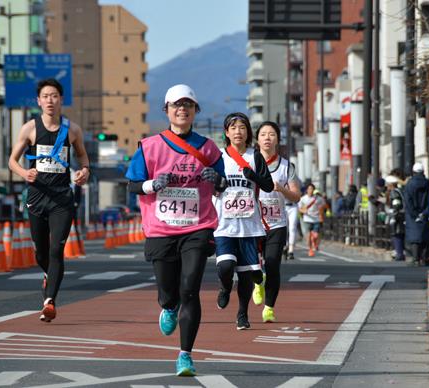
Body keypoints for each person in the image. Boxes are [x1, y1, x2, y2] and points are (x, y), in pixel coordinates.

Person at [126, 84, 226, 376]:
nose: (182, 109)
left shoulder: (208, 148)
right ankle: (168, 306)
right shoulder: (149, 146)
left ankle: (185, 355)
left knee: (190, 288)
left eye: (188, 105)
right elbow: (132, 184)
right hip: (161, 228)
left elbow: (224, 184)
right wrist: (153, 184)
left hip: (198, 226)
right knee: (169, 291)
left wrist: (216, 179)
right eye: (176, 105)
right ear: (167, 110)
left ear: (195, 111)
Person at [9, 78, 90, 323]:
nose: (50, 100)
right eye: (45, 96)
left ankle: (49, 301)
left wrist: (84, 173)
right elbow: (12, 161)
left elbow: (84, 160)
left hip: (62, 199)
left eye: (54, 95)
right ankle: (48, 275)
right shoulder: (29, 128)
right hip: (36, 197)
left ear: (61, 99)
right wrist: (25, 173)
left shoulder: (72, 129)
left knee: (57, 250)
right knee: (41, 252)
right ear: (39, 101)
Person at [213, 112, 274, 331]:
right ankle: (224, 287)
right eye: (233, 128)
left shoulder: (255, 156)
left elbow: (267, 185)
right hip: (223, 224)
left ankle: (242, 314)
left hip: (249, 225)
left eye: (242, 127)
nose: (238, 132)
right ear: (226, 132)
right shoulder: (218, 157)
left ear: (248, 132)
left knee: (247, 273)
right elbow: (209, 186)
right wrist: (216, 184)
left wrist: (253, 176)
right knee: (227, 266)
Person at [253, 121, 301, 323]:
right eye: (263, 134)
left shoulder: (286, 166)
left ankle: (269, 308)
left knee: (272, 264)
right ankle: (257, 281)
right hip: (252, 223)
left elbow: (296, 196)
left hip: (276, 224)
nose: (267, 138)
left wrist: (281, 189)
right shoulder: (249, 163)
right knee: (251, 266)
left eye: (271, 134)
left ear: (277, 140)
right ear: (257, 139)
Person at [403, 162, 429, 266]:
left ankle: (415, 259)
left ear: (413, 172)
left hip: (412, 214)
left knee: (414, 236)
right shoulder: (427, 183)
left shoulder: (410, 184)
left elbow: (408, 200)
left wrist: (413, 213)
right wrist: (425, 212)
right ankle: (425, 259)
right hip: (425, 212)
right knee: (424, 235)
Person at [298, 183, 325, 256]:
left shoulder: (318, 198)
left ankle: (314, 242)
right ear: (307, 190)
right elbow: (299, 208)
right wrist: (304, 211)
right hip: (307, 219)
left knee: (315, 235)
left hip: (316, 219)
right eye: (309, 189)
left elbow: (323, 206)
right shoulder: (303, 198)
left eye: (312, 189)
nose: (310, 190)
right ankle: (310, 249)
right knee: (308, 236)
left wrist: (321, 213)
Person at [385, 175, 405, 261]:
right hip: (400, 216)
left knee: (396, 235)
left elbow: (396, 205)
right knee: (399, 234)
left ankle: (399, 253)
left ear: (391, 184)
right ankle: (399, 252)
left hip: (397, 216)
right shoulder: (399, 191)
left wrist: (393, 216)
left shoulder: (394, 193)